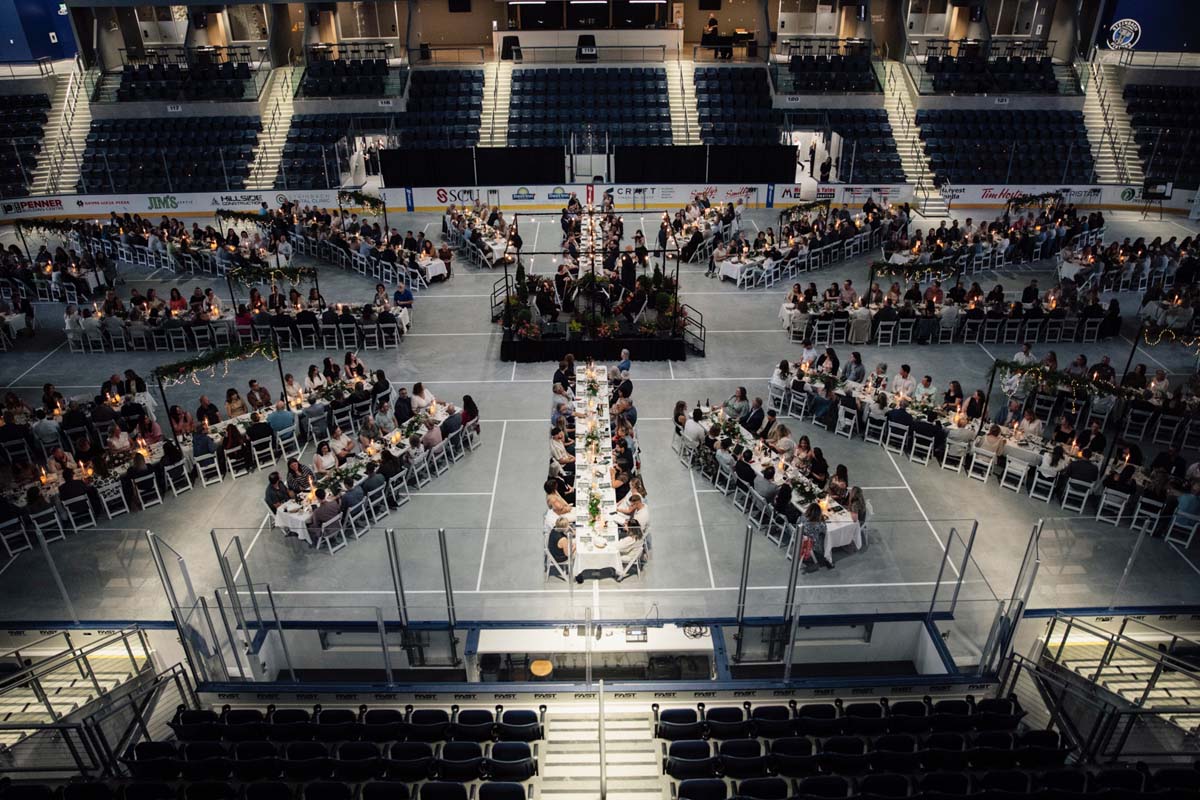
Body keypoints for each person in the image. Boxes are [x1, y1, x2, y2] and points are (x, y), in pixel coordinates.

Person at [801, 503, 834, 570]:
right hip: (813, 545)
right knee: (826, 538)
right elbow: (825, 529)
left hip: (802, 539)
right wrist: (822, 520)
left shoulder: (802, 517)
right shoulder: (818, 525)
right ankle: (828, 560)